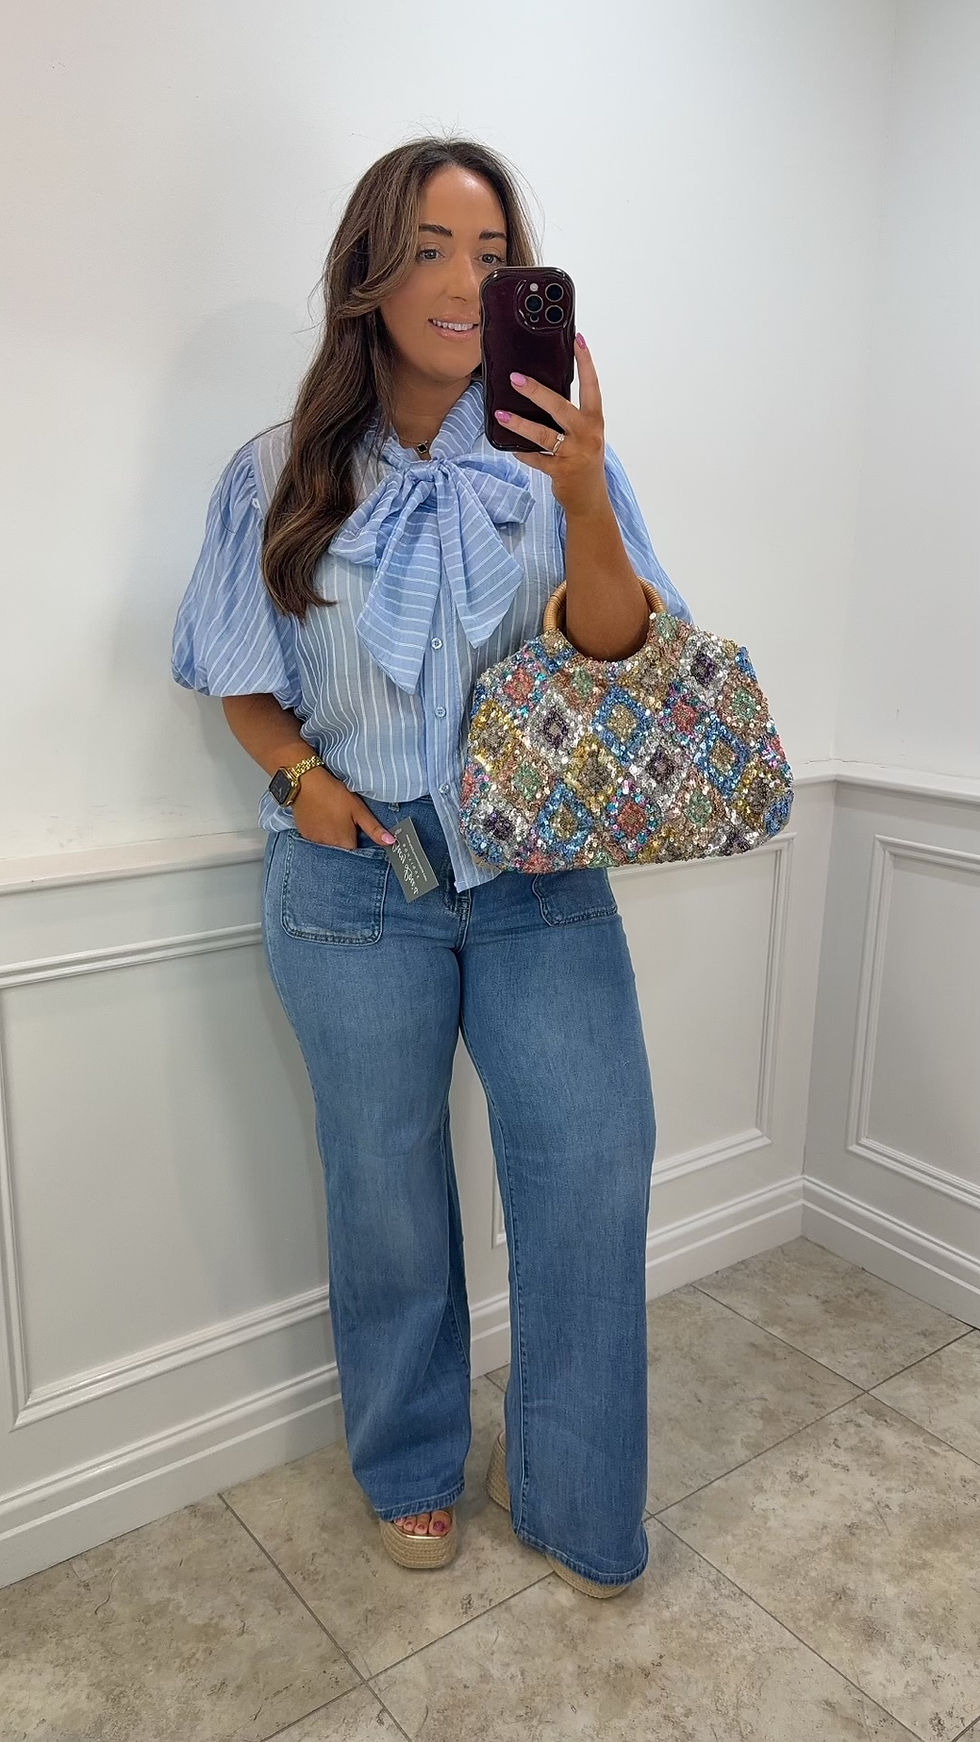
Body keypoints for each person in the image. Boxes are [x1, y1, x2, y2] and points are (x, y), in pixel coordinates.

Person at [171, 135, 693, 1598]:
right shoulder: (276, 471)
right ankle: (408, 1462)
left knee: (592, 1169)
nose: (465, 282)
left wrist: (583, 496)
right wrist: (308, 785)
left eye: (492, 254)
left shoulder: (557, 457)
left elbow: (619, 649)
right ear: (370, 273)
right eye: (429, 249)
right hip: (356, 883)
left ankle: (575, 1489)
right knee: (386, 1188)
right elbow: (241, 676)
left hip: (540, 874)